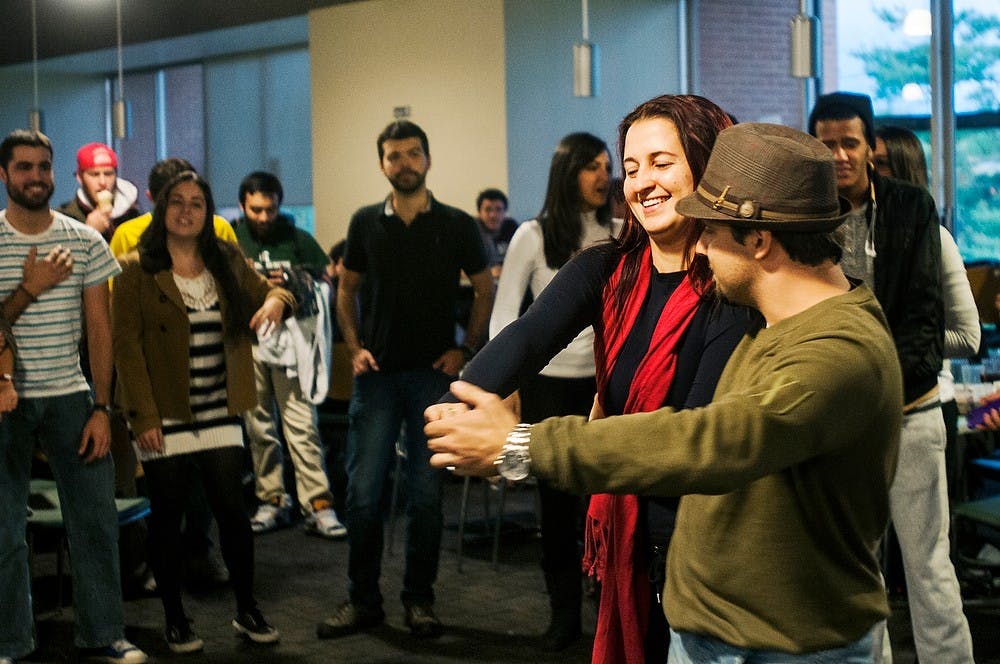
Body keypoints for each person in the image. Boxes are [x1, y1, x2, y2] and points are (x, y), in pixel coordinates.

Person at [426, 122, 903, 662]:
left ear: (759, 240)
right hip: (716, 629)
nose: (698, 242)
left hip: (787, 645)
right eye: (629, 168)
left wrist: (521, 445)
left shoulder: (838, 350)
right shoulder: (778, 321)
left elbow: (708, 439)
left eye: (711, 229)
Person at [446, 96, 753, 662]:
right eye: (631, 168)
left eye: (661, 162)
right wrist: (456, 404)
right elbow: (529, 335)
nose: (642, 183)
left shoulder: (732, 282)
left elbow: (688, 435)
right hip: (629, 534)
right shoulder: (608, 266)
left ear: (707, 165)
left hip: (709, 549)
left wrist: (515, 446)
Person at [809, 92, 973, 663]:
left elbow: (928, 326)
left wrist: (873, 394)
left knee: (929, 568)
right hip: (835, 424)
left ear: (870, 145)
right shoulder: (805, 215)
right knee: (858, 572)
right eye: (826, 145)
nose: (838, 157)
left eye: (849, 143)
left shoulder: (909, 208)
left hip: (910, 414)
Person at [318, 120, 493, 640]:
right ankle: (363, 601)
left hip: (432, 380)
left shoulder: (459, 224)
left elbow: (484, 290)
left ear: (428, 160)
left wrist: (465, 349)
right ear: (382, 165)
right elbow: (345, 291)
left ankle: (419, 601)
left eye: (413, 154)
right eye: (394, 157)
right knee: (363, 496)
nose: (404, 164)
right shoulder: (365, 222)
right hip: (376, 379)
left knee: (424, 496)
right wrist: (352, 346)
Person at [112, 171, 291, 654]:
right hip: (163, 414)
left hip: (219, 409)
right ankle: (175, 617)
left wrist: (275, 301)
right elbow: (125, 351)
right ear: (161, 209)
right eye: (177, 201)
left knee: (233, 513)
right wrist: (142, 417)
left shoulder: (226, 258)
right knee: (167, 517)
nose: (187, 210)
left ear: (208, 211)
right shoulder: (134, 270)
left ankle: (247, 608)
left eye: (197, 202)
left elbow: (276, 294)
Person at [0, 129, 147, 664]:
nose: (36, 176)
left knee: (94, 521)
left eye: (44, 166)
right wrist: (30, 287)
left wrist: (102, 409)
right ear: (4, 175)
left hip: (71, 396)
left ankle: (104, 632)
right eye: (24, 167)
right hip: (4, 400)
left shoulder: (86, 241)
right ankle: (10, 642)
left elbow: (100, 332)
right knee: (4, 531)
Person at [487, 131, 618, 652]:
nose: (603, 175)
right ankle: (563, 614)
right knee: (559, 511)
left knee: (609, 504)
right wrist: (507, 386)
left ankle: (610, 608)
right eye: (592, 166)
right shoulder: (533, 235)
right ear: (568, 172)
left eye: (607, 165)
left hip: (603, 384)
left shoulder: (620, 229)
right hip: (546, 386)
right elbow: (504, 316)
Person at [234, 171, 345, 539]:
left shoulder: (297, 237)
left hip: (291, 344)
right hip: (246, 342)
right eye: (256, 209)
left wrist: (295, 278)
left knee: (301, 425)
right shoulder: (232, 237)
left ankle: (318, 504)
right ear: (242, 205)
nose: (264, 217)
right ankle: (272, 499)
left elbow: (325, 277)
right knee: (259, 427)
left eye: (270, 209)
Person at [873, 125, 980, 495]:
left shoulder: (935, 238)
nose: (868, 171)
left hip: (925, 407)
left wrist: (889, 343)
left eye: (881, 164)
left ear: (903, 171)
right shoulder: (856, 240)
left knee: (920, 551)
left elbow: (968, 337)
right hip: (870, 410)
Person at [109, 157, 237, 257]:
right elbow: (114, 288)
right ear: (151, 198)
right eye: (175, 202)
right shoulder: (126, 235)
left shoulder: (219, 228)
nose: (185, 212)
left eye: (195, 203)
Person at [58, 142, 140, 241]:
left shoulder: (133, 213)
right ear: (79, 177)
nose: (102, 182)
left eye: (108, 174)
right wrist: (88, 233)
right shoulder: (65, 219)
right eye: (94, 174)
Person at [475, 188, 519, 276]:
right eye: (487, 210)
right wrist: (489, 272)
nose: (493, 215)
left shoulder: (512, 227)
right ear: (479, 212)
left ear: (505, 212)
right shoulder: (473, 231)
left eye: (498, 209)